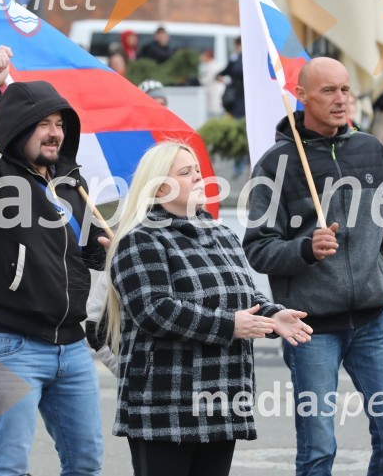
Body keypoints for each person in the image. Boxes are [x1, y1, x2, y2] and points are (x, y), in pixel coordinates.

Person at [243, 57, 383, 475]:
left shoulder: (371, 149)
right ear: (300, 97)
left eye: (345, 89)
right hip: (311, 326)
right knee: (319, 447)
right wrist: (305, 249)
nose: (341, 100)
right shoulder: (276, 164)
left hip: (376, 320)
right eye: (328, 91)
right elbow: (258, 248)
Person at [104, 142, 310, 476]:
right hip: (164, 403)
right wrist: (230, 326)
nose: (198, 177)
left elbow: (243, 294)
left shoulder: (222, 233)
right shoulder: (140, 239)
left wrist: (272, 316)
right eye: (185, 173)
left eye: (197, 169)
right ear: (159, 187)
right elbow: (155, 310)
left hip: (223, 395)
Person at [0, 46, 108, 476]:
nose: (54, 132)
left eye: (60, 124)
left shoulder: (70, 189)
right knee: (8, 467)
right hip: (9, 345)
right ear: (17, 127)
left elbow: (70, 258)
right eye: (43, 123)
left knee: (87, 464)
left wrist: (94, 251)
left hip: (72, 348)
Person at [217, 37, 245, 119]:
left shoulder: (237, 59)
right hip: (237, 92)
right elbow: (223, 73)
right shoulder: (235, 59)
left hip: (240, 93)